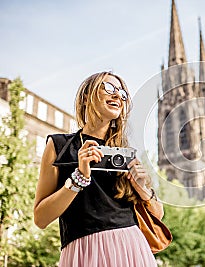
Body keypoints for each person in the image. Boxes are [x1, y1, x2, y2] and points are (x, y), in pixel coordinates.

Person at [33, 71, 163, 266]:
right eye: (109, 88)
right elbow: (41, 218)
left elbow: (158, 214)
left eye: (122, 93)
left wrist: (142, 188)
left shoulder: (125, 154)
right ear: (87, 97)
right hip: (83, 252)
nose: (117, 95)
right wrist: (78, 178)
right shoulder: (60, 146)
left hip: (131, 249)